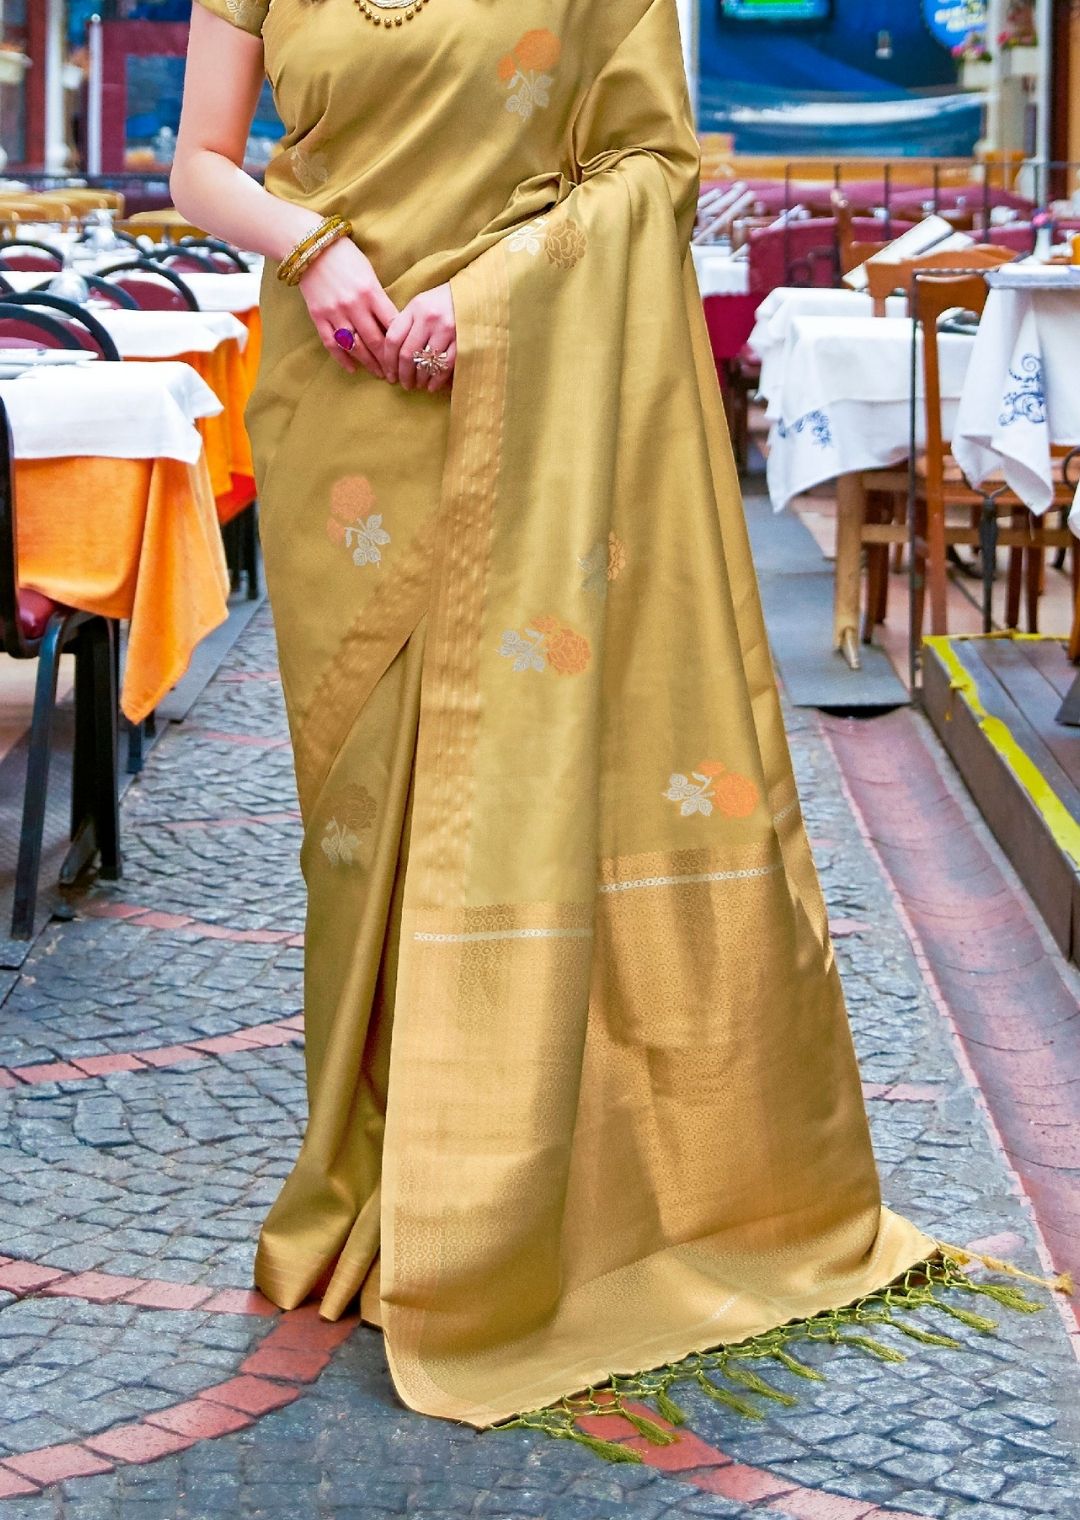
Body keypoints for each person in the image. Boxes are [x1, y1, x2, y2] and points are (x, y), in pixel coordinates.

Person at [171, 0, 1008, 1445]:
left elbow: (646, 166)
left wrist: (490, 295)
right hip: (340, 400)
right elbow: (199, 164)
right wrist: (312, 250)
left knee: (513, 804)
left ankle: (500, 1198)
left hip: (522, 381)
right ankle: (367, 1184)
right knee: (357, 836)